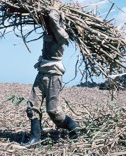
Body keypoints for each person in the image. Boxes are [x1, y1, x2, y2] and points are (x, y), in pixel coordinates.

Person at [22, 8, 78, 146]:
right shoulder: (48, 30)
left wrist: (54, 9)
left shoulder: (63, 36)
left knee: (53, 111)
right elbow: (49, 22)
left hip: (54, 76)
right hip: (42, 73)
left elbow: (53, 19)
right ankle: (35, 138)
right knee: (32, 105)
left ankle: (74, 128)